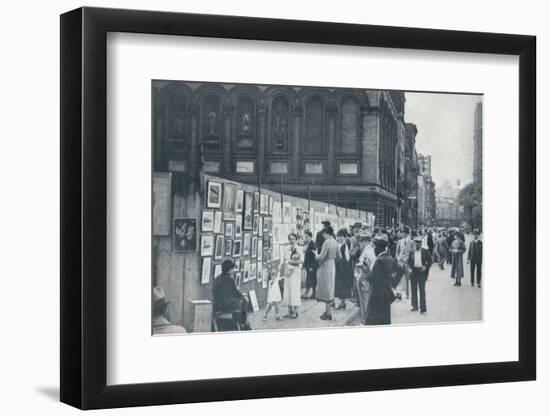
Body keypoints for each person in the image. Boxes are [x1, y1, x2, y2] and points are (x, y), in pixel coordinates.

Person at [365, 233, 402, 325]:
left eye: (375, 247)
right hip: (386, 294)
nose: (374, 249)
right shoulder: (390, 258)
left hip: (377, 294)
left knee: (372, 320)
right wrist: (392, 283)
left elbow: (372, 278)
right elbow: (400, 270)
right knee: (384, 319)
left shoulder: (379, 261)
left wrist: (366, 271)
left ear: (378, 248)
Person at [212, 259, 251, 330]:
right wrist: (243, 297)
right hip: (226, 305)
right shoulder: (229, 279)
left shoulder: (217, 279)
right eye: (232, 269)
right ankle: (244, 324)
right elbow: (235, 292)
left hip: (217, 304)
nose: (233, 270)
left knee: (240, 303)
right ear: (229, 269)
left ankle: (242, 323)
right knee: (244, 302)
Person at [315, 226, 341, 320]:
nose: (323, 236)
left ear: (326, 233)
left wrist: (315, 255)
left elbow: (321, 257)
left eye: (323, 235)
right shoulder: (335, 241)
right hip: (332, 265)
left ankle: (328, 313)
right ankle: (328, 311)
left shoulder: (327, 242)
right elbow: (339, 256)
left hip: (325, 266)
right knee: (330, 288)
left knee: (326, 288)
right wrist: (333, 260)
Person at [408, 237, 432, 313]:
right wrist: (409, 268)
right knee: (413, 290)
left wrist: (426, 266)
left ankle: (423, 308)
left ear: (421, 244)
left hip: (421, 272)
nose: (417, 245)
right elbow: (408, 262)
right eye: (415, 244)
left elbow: (430, 261)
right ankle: (415, 306)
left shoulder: (425, 251)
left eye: (418, 244)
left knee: (422, 290)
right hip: (414, 272)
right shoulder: (411, 252)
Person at [282, 232, 302, 318]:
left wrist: (291, 262)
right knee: (288, 290)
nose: (291, 240)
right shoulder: (287, 249)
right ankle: (289, 310)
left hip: (295, 272)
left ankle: (296, 311)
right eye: (290, 239)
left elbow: (301, 261)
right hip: (288, 272)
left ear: (296, 239)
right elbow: (284, 259)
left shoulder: (299, 249)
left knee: (295, 290)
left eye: (293, 239)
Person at [334, 228, 354, 310]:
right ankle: (340, 302)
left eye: (341, 236)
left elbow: (348, 258)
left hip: (344, 269)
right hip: (338, 268)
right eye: (338, 236)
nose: (339, 238)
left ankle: (342, 302)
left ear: (344, 237)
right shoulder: (337, 245)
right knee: (338, 285)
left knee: (343, 285)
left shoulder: (345, 245)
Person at [395, 227, 414, 300]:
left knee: (407, 278)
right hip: (400, 261)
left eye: (403, 232)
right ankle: (398, 293)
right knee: (399, 277)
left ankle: (407, 293)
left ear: (406, 233)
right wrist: (397, 258)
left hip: (407, 262)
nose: (402, 234)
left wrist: (410, 258)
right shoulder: (400, 241)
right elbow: (397, 251)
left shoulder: (411, 242)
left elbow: (413, 251)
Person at [302, 230, 317, 299]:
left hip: (311, 265)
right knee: (311, 279)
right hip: (308, 265)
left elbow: (314, 256)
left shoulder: (313, 244)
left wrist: (311, 266)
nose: (305, 238)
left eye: (306, 237)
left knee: (310, 279)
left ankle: (307, 293)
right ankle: (313, 293)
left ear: (310, 237)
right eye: (304, 237)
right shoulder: (308, 244)